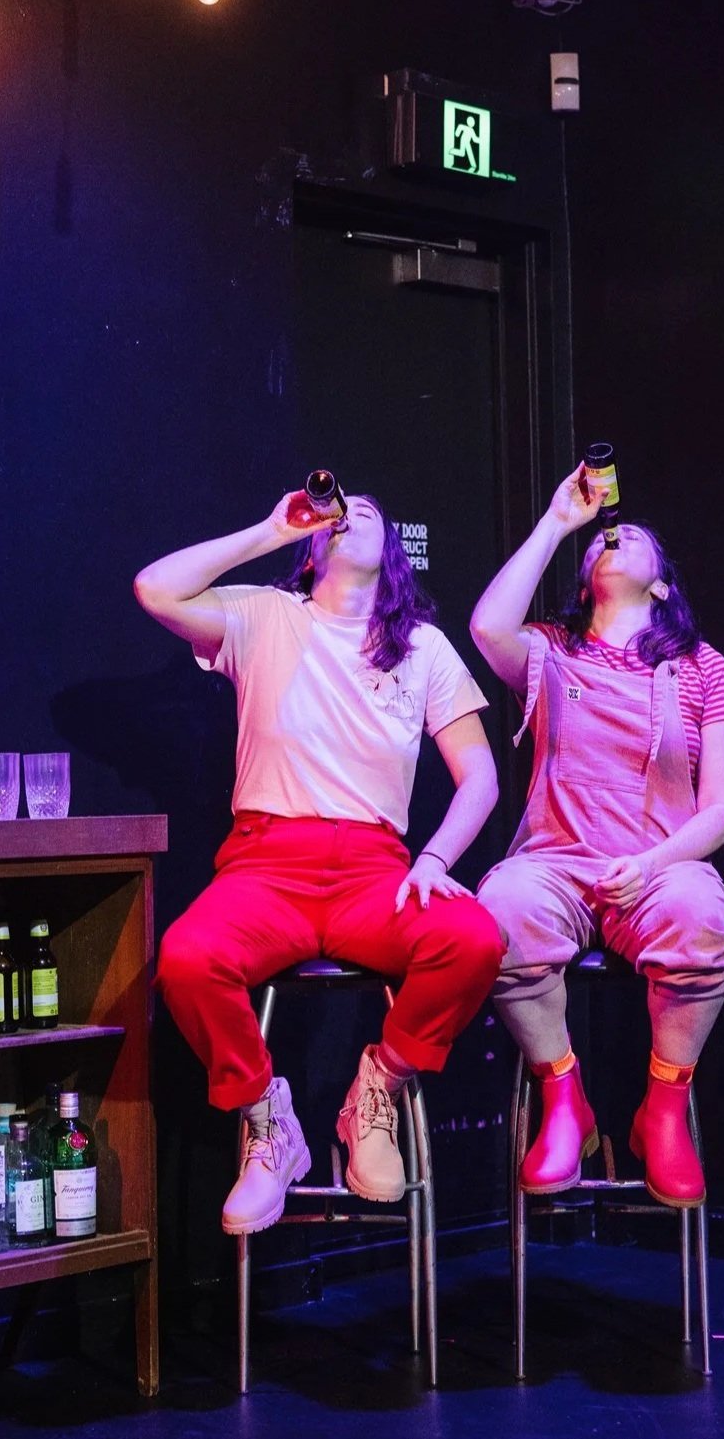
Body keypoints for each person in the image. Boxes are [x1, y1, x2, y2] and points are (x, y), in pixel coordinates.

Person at [135, 487, 505, 1236]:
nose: (352, 512)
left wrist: (435, 858)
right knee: (187, 958)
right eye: (341, 511)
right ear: (311, 552)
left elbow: (482, 778)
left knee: (473, 939)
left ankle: (376, 1089)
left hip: (374, 871)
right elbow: (155, 588)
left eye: (370, 511)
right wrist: (271, 529)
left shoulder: (423, 647)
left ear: (393, 550)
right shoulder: (267, 614)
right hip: (267, 864)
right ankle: (267, 1118)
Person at [470, 465, 724, 1208]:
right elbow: (486, 627)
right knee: (497, 915)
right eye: (600, 541)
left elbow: (722, 809)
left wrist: (652, 863)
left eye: (632, 539)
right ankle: (564, 1096)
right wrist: (558, 522)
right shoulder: (550, 650)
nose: (611, 538)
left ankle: (663, 1108)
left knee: (702, 920)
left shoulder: (702, 667)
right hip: (556, 862)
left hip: (660, 864)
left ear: (662, 586)